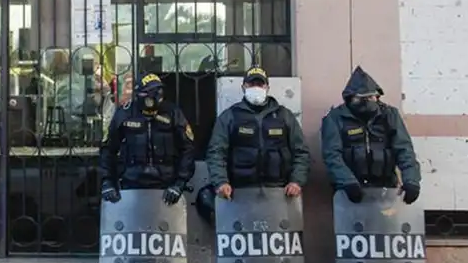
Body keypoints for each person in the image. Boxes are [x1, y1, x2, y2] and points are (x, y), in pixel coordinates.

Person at [320, 66, 421, 205]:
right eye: (364, 98)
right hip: (350, 190)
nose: (370, 101)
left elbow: (404, 150)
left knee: (387, 225)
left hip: (386, 189)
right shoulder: (335, 118)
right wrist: (348, 182)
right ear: (352, 98)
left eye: (372, 97)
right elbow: (332, 155)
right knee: (352, 224)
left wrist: (411, 181)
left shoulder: (389, 115)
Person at [205, 66, 310, 201]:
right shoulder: (230, 116)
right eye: (251, 84)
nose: (256, 88)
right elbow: (216, 152)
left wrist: (296, 181)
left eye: (260, 84)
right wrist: (221, 182)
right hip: (239, 192)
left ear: (267, 87)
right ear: (244, 87)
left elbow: (301, 152)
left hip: (280, 192)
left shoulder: (284, 116)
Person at [99, 72, 195, 206]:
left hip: (166, 186)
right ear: (140, 94)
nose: (157, 95)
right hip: (131, 185)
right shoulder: (125, 113)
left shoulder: (173, 113)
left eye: (159, 90)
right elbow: (108, 150)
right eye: (152, 92)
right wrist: (107, 181)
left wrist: (179, 183)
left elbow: (188, 149)